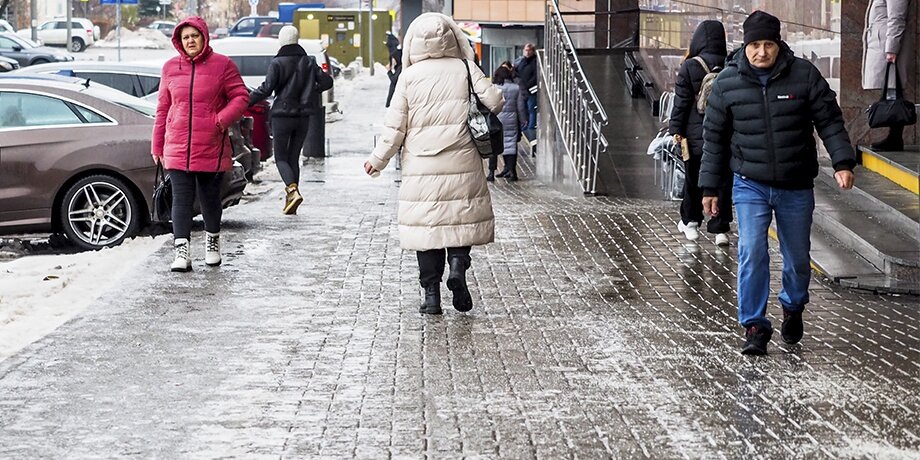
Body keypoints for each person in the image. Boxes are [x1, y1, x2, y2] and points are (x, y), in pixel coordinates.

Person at [699, 11, 856, 355]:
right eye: (755, 45)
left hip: (795, 183)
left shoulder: (804, 76)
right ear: (746, 45)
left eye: (768, 44)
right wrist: (709, 189)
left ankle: (793, 304)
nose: (761, 52)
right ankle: (754, 325)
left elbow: (829, 120)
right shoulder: (727, 83)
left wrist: (843, 162)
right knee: (752, 251)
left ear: (778, 44)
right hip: (749, 184)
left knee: (797, 258)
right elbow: (714, 139)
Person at [363, 13, 503, 315]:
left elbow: (395, 127)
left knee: (428, 232)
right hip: (462, 160)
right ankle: (457, 266)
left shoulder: (409, 77)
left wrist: (378, 160)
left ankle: (431, 297)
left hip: (421, 167)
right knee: (459, 223)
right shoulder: (464, 68)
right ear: (451, 38)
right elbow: (495, 101)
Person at [152, 16, 249, 272]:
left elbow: (241, 96)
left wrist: (220, 121)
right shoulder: (170, 68)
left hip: (211, 145)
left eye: (194, 36)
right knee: (181, 200)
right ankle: (181, 253)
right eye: (185, 37)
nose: (190, 41)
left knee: (209, 199)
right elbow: (163, 108)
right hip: (177, 145)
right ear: (179, 42)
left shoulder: (223, 65)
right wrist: (157, 145)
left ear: (204, 37)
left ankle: (212, 243)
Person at [249, 25, 334, 215]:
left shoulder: (277, 63)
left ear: (281, 40)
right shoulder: (309, 61)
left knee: (280, 157)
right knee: (293, 157)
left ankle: (292, 190)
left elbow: (266, 89)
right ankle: (291, 201)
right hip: (303, 116)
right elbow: (327, 82)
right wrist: (311, 91)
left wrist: (245, 101)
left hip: (282, 116)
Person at [669, 20, 733, 246]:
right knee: (723, 181)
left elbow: (682, 103)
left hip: (694, 136)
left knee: (693, 179)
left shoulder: (690, 66)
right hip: (725, 134)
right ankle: (720, 230)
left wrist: (675, 129)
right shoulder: (730, 64)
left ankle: (691, 223)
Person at [862, 0, 912, 151]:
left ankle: (895, 138)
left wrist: (891, 48)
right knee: (891, 91)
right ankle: (893, 137)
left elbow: (897, 18)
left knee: (893, 91)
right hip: (882, 43)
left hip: (888, 46)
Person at [489, 66, 527, 182]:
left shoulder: (494, 88)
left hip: (497, 118)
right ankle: (511, 171)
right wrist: (523, 119)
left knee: (494, 146)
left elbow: (490, 104)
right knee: (510, 144)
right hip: (511, 119)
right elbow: (520, 106)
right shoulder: (515, 88)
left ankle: (491, 172)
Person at [513, 43, 538, 131]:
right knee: (523, 109)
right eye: (526, 50)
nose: (527, 53)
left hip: (531, 89)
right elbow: (517, 73)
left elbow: (536, 76)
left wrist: (527, 85)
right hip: (522, 89)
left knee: (531, 108)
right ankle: (525, 126)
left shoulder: (535, 61)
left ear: (532, 51)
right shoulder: (521, 61)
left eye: (529, 50)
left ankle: (530, 127)